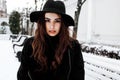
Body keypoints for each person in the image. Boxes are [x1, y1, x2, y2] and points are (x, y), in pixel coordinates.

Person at [17, 0, 85, 80]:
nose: (52, 26)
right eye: (47, 20)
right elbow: (22, 76)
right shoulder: (31, 44)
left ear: (62, 23)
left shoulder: (73, 46)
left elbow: (78, 76)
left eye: (57, 21)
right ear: (42, 22)